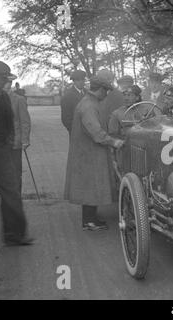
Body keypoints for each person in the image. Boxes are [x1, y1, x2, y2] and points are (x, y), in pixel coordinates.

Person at [64, 76, 125, 231]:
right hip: (89, 153)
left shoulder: (88, 102)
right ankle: (89, 221)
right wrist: (114, 142)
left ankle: (90, 218)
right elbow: (96, 133)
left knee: (89, 185)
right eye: (106, 91)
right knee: (91, 185)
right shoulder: (89, 106)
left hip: (87, 151)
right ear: (100, 89)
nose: (107, 94)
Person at [0, 61, 33, 246]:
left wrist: (9, 140)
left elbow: (10, 121)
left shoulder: (3, 97)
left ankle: (15, 234)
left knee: (11, 190)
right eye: (2, 78)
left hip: (2, 150)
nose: (5, 82)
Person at [4, 78, 31, 194]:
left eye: (6, 83)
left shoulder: (18, 100)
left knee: (15, 172)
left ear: (10, 84)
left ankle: (16, 197)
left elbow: (25, 121)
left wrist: (25, 140)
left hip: (14, 143)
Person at [60, 70, 86, 135]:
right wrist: (74, 130)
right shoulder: (67, 96)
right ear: (74, 81)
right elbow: (65, 118)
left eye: (83, 80)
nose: (81, 82)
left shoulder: (88, 94)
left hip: (89, 131)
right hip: (75, 132)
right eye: (78, 80)